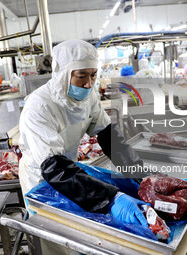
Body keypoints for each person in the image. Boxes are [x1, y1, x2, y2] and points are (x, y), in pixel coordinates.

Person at [19, 40, 149, 255]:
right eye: (82, 76)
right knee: (56, 240)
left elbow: (109, 136)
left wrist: (140, 175)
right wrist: (110, 198)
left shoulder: (89, 97)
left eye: (93, 75)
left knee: (80, 232)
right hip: (42, 176)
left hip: (70, 170)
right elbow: (53, 167)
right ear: (64, 73)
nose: (89, 83)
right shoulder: (39, 106)